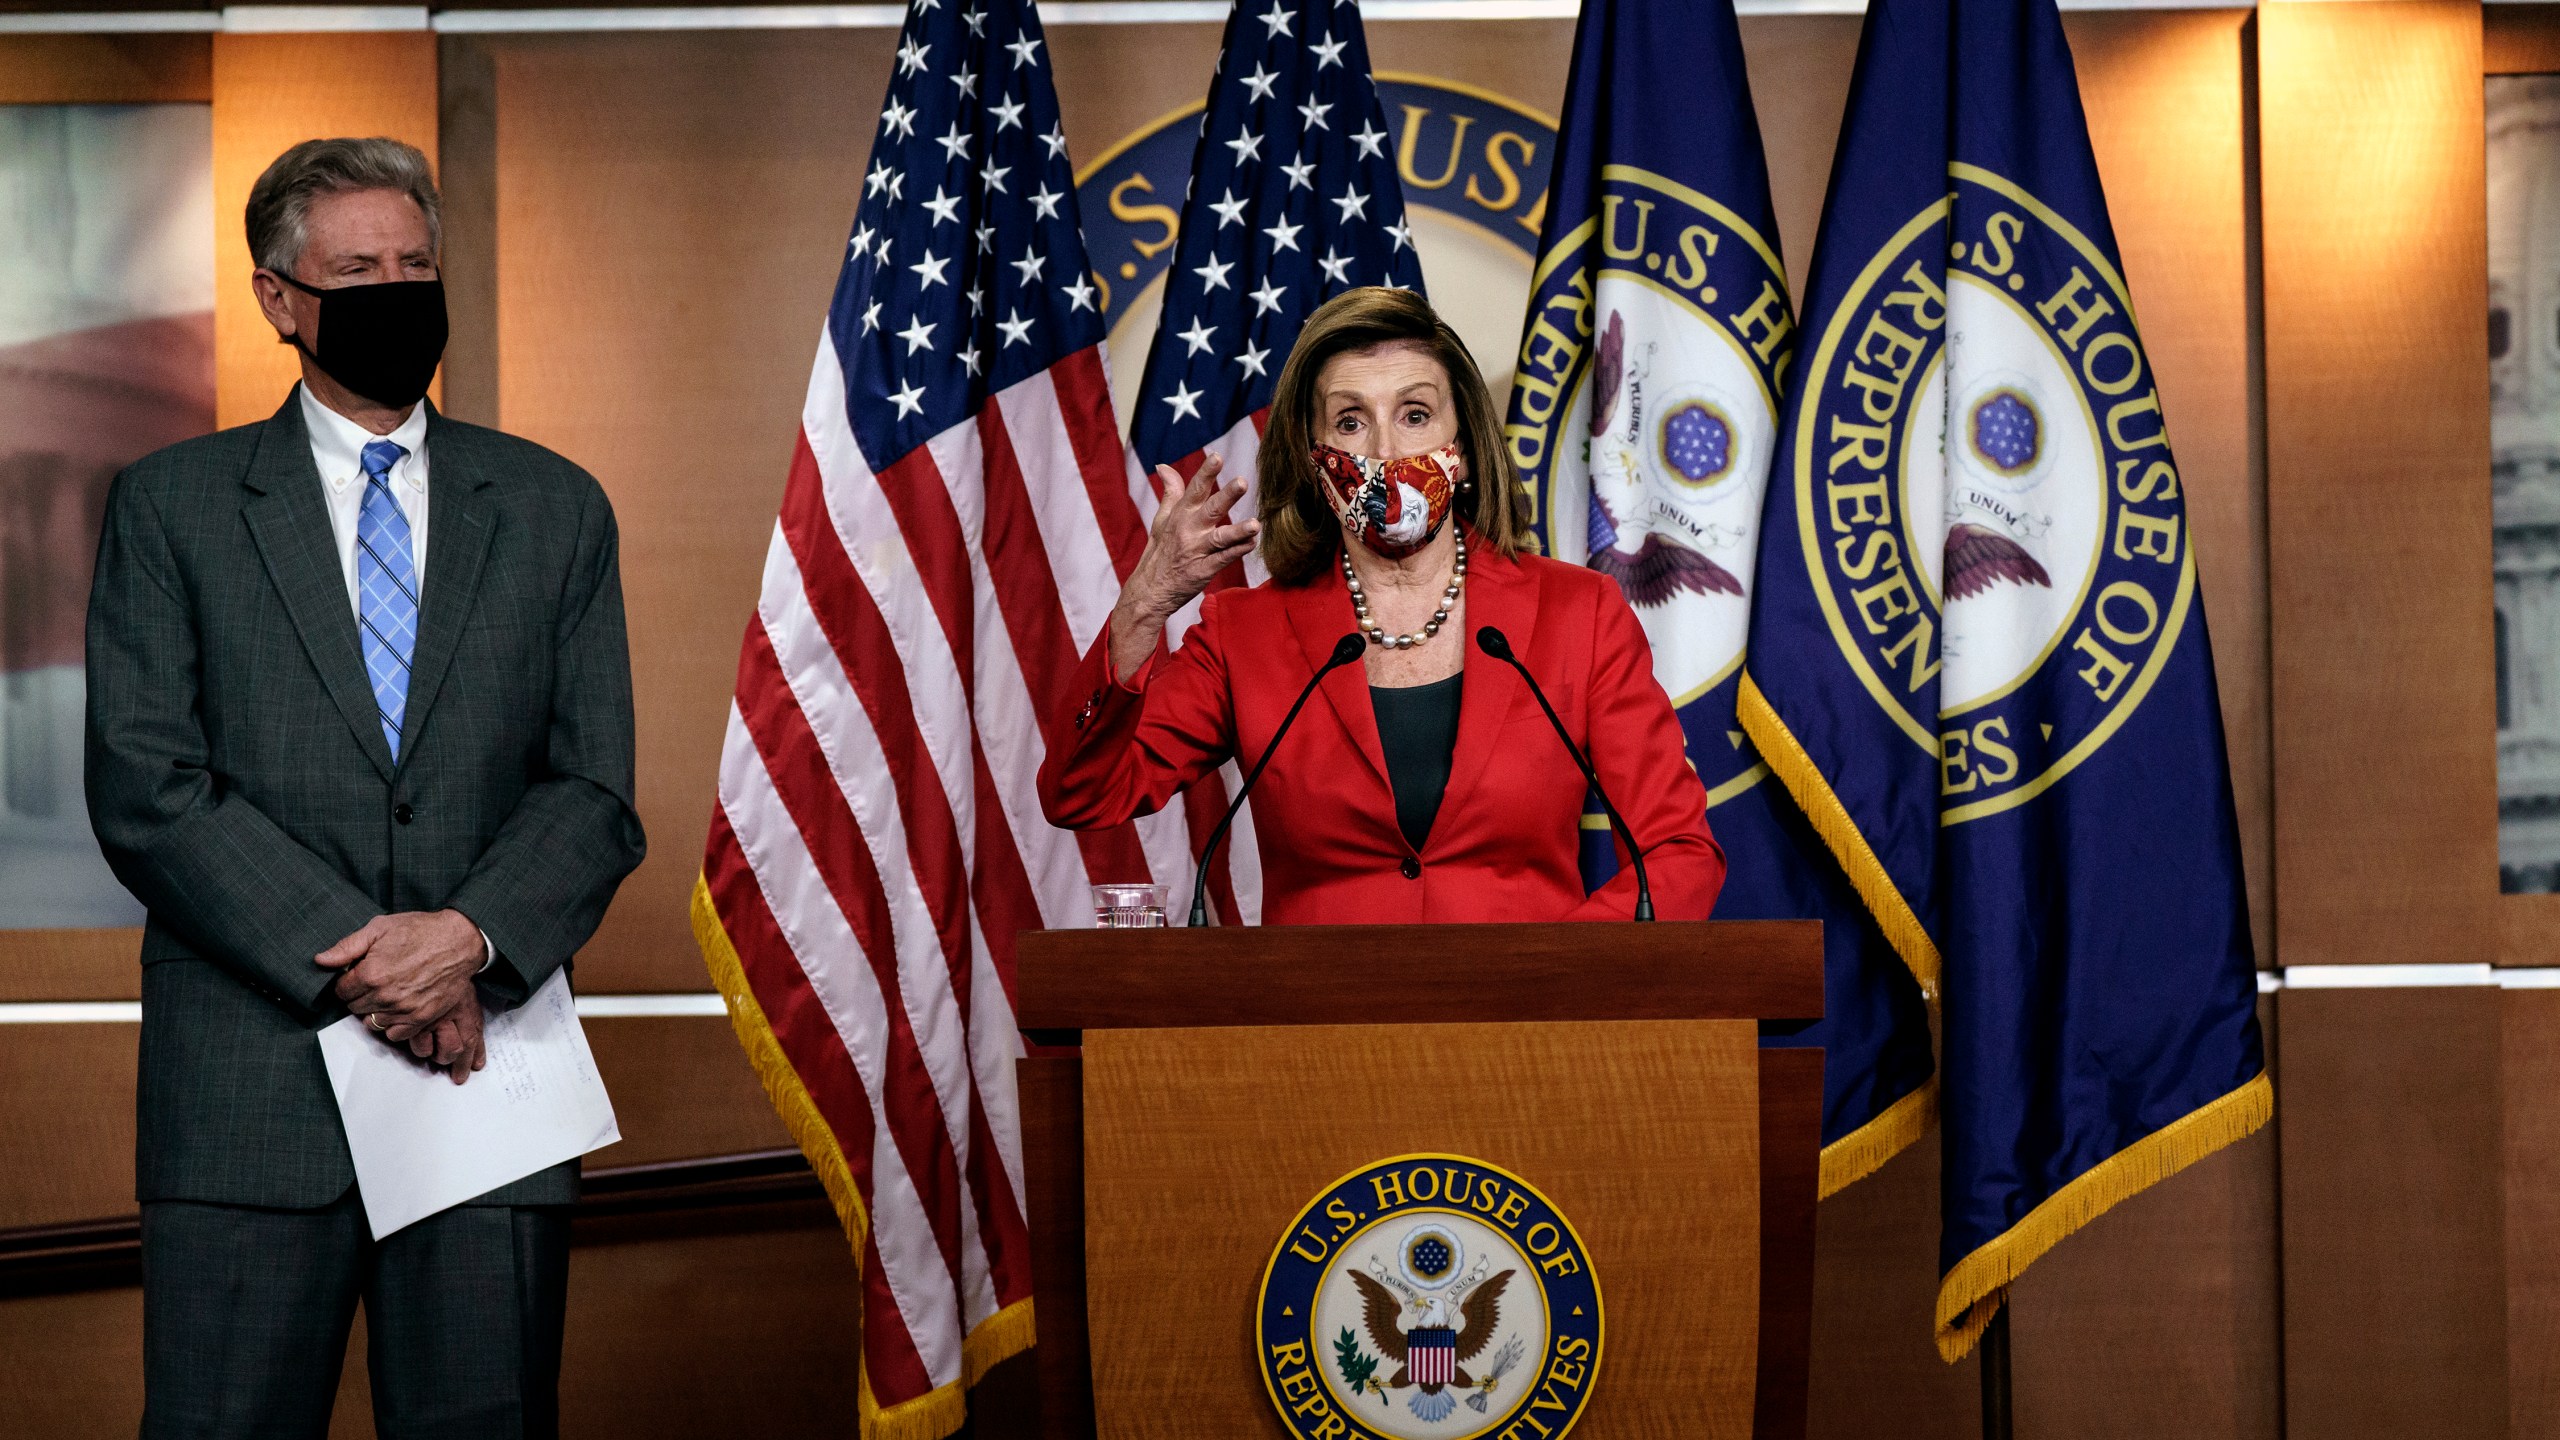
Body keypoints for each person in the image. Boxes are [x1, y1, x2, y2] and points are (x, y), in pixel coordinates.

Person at [83, 136, 645, 1439]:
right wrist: (376, 966)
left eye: (416, 264)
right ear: (281, 298)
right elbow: (148, 785)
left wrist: (466, 944)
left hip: (484, 1101)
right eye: (357, 270)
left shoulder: (556, 509)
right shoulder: (173, 508)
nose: (396, 290)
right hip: (245, 1114)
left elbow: (592, 790)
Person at [1039, 287, 1723, 921]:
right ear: (1315, 457)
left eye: (1416, 414)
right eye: (1351, 422)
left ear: (1462, 447)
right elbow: (1084, 793)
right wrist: (1144, 604)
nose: (1388, 450)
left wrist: (1547, 978)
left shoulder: (1582, 614)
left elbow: (1678, 853)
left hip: (1530, 1039)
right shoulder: (1243, 632)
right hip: (1313, 1038)